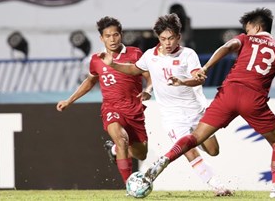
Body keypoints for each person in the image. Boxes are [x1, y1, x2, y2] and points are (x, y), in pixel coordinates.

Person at [143, 8, 275, 198]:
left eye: (248, 28)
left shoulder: (245, 39)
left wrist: (206, 67)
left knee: (196, 138)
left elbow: (226, 47)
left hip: (229, 93)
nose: (247, 31)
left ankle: (166, 158)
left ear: (257, 27)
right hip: (254, 99)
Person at [99, 13, 232, 196]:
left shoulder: (188, 54)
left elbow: (197, 78)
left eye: (171, 38)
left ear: (179, 36)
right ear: (158, 38)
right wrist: (113, 64)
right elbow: (134, 69)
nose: (167, 43)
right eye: (163, 39)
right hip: (173, 117)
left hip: (196, 111)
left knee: (213, 150)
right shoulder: (149, 56)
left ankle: (195, 141)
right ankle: (218, 186)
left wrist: (184, 81)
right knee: (189, 151)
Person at [56, 16, 152, 185]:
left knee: (141, 153)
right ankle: (130, 185)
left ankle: (114, 149)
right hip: (111, 108)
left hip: (134, 109)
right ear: (101, 38)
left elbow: (149, 77)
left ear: (120, 35)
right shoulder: (96, 59)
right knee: (121, 139)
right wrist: (69, 100)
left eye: (115, 35)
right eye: (107, 36)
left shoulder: (135, 53)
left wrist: (148, 90)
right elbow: (90, 81)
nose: (112, 39)